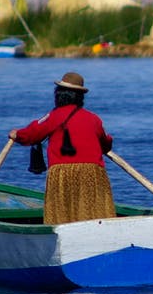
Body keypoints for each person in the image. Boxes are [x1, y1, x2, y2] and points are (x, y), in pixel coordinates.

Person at [9, 71, 115, 225]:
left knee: (63, 216)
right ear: (80, 97)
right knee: (93, 212)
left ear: (58, 95)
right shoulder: (94, 119)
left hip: (62, 174)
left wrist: (17, 134)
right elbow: (106, 144)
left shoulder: (53, 116)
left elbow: (32, 134)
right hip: (93, 173)